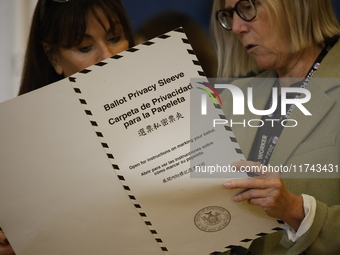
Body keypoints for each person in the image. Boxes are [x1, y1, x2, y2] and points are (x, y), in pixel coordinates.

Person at [1, 0, 134, 254]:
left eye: (115, 38)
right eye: (85, 47)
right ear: (53, 57)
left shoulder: (183, 103)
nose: (108, 56)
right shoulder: (16, 150)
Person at [211, 0, 340, 254]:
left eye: (247, 7)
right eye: (228, 15)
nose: (236, 27)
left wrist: (294, 210)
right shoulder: (231, 98)